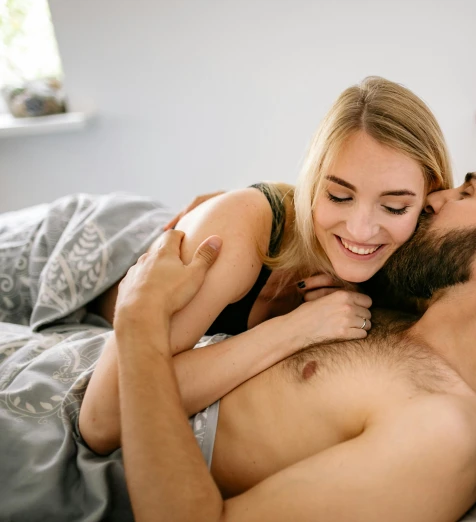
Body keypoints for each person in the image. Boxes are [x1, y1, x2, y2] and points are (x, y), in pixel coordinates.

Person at [112, 147, 476, 521]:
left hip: (111, 465)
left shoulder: (443, 431)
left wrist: (136, 324)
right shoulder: (402, 308)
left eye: (468, 191)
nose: (436, 197)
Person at [79, 76, 453, 454]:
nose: (360, 229)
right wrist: (294, 329)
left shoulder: (415, 268)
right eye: (339, 196)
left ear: (430, 197)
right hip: (89, 250)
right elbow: (103, 419)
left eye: (393, 207)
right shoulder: (241, 232)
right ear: (311, 182)